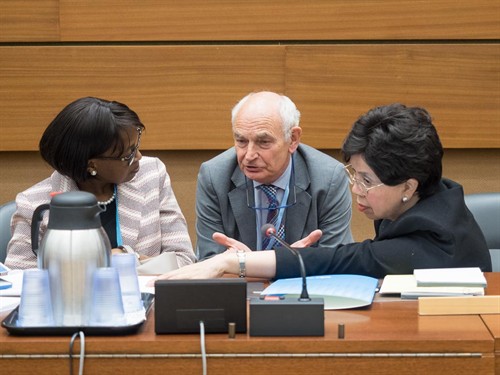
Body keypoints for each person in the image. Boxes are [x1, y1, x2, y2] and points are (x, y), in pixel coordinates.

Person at [154, 103, 492, 281]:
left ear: (409, 186)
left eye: (367, 181)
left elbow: (341, 258)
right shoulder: (430, 198)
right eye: (354, 175)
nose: (356, 190)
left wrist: (234, 262)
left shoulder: (429, 234)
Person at [5, 97, 196, 269]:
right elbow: (20, 279)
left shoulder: (151, 174)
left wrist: (126, 257)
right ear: (91, 165)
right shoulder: (34, 204)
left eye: (136, 147)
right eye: (127, 154)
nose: (138, 156)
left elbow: (184, 260)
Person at [196, 91, 353, 259]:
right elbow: (208, 261)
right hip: (241, 284)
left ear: (293, 139)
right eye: (241, 141)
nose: (249, 155)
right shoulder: (214, 176)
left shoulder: (328, 179)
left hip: (302, 285)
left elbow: (338, 262)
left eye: (263, 142)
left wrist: (278, 266)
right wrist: (249, 268)